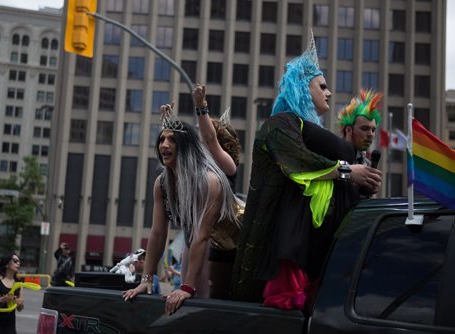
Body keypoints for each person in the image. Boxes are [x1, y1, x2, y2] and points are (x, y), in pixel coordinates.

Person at [231, 32, 382, 312]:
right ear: (302, 86)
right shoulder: (279, 124)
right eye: (322, 86)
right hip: (283, 260)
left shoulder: (309, 131)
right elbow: (300, 163)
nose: (329, 92)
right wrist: (350, 173)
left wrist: (360, 185)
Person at [123, 110, 237, 316]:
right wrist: (146, 280)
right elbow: (158, 233)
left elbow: (203, 236)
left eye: (172, 140)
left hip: (230, 250)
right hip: (195, 245)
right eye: (161, 140)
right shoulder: (162, 184)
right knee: (188, 309)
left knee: (211, 310)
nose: (164, 145)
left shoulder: (210, 181)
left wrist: (187, 287)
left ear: (186, 146)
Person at [193, 83, 243, 299]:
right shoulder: (200, 169)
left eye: (205, 139)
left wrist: (200, 106)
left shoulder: (228, 166)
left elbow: (210, 139)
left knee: (217, 296)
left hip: (225, 245)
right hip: (199, 240)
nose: (202, 142)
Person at [337, 89, 383, 167]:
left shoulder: (367, 164)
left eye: (373, 130)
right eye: (364, 128)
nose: (370, 134)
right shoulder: (332, 157)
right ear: (348, 130)